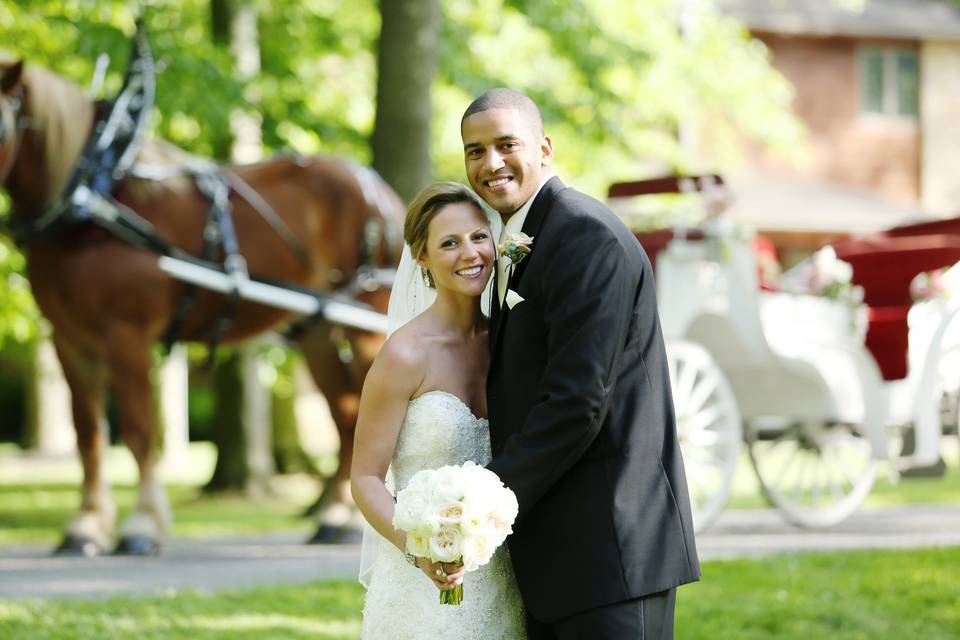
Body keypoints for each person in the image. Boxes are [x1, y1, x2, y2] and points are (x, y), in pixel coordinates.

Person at [462, 88, 700, 639]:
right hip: (559, 555)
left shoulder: (584, 236)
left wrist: (482, 503)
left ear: (543, 147)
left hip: (612, 548)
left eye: (505, 145)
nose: (490, 163)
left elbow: (577, 401)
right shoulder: (526, 240)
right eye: (475, 151)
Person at [351, 182, 527, 639]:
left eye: (478, 237)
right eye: (449, 243)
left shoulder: (510, 345)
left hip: (502, 581)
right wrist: (421, 549)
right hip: (418, 585)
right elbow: (366, 478)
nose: (469, 252)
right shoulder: (404, 355)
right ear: (422, 257)